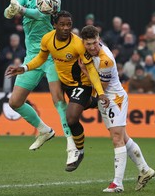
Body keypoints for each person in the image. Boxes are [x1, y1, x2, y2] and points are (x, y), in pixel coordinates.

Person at [6, 11, 110, 172]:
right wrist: (24, 68)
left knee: (71, 117)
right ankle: (94, 103)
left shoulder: (78, 44)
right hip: (65, 83)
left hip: (81, 84)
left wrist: (100, 91)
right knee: (82, 105)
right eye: (62, 24)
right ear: (54, 25)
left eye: (69, 24)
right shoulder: (47, 39)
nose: (66, 28)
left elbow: (90, 67)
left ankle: (77, 150)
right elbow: (41, 58)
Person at [3, 0, 77, 166]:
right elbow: (7, 13)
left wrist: (21, 10)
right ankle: (45, 130)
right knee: (15, 102)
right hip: (32, 57)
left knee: (57, 99)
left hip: (52, 55)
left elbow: (39, 14)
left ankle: (71, 145)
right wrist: (11, 10)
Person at [80, 25, 155, 192]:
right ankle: (144, 169)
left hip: (115, 99)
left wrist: (85, 71)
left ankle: (117, 183)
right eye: (88, 44)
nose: (92, 47)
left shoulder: (105, 59)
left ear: (98, 39)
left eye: (94, 43)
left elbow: (102, 86)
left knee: (116, 138)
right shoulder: (87, 49)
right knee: (123, 137)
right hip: (106, 100)